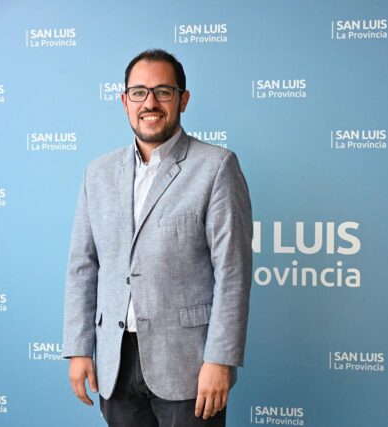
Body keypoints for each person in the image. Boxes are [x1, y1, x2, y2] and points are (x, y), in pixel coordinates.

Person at [63, 48, 252, 427]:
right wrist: (79, 348)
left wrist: (219, 359)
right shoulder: (97, 173)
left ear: (183, 99)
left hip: (189, 363)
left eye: (163, 91)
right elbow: (83, 266)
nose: (149, 103)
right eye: (139, 92)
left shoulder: (216, 166)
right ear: (125, 101)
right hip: (116, 363)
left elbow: (232, 272)